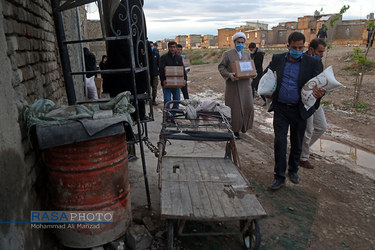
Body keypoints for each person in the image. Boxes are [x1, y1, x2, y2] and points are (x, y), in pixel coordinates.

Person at [266, 32, 325, 190]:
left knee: (297, 143)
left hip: (299, 110)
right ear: (288, 46)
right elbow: (267, 77)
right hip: (281, 109)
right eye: (294, 47)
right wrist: (265, 90)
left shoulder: (312, 63)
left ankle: (293, 170)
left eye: (300, 48)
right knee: (280, 142)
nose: (297, 50)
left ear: (304, 47)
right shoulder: (277, 59)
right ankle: (279, 176)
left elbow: (320, 84)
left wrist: (320, 93)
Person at [218, 32, 257, 139]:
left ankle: (244, 127)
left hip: (245, 86)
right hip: (233, 86)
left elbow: (250, 67)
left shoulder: (246, 54)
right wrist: (229, 75)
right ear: (234, 42)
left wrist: (254, 73)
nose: (240, 44)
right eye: (238, 42)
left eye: (242, 42)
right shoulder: (227, 54)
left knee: (247, 106)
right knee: (235, 109)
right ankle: (234, 130)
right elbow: (221, 67)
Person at [300, 38, 327, 169]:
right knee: (308, 130)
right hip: (306, 102)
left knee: (322, 127)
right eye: (319, 51)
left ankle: (299, 149)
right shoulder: (302, 61)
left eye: (323, 52)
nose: (321, 54)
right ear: (311, 50)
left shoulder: (319, 63)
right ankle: (303, 157)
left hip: (316, 101)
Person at [159, 41, 187, 112]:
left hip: (177, 84)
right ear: (168, 48)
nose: (172, 49)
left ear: (176, 48)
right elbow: (161, 71)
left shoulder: (179, 58)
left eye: (174, 47)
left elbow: (182, 70)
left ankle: (173, 116)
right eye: (171, 47)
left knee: (177, 100)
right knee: (167, 100)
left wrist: (184, 80)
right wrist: (163, 80)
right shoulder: (164, 57)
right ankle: (167, 116)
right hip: (167, 83)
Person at [149, 41, 160, 105]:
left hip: (155, 73)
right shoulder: (146, 55)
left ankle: (153, 100)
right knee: (147, 87)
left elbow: (159, 64)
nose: (151, 47)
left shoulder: (156, 54)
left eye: (152, 46)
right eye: (150, 46)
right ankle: (147, 99)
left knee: (154, 87)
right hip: (147, 74)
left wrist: (159, 72)